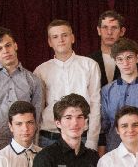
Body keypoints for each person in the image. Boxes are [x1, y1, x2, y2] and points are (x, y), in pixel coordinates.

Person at [33, 19, 101, 150]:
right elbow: (38, 108)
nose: (61, 40)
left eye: (64, 35)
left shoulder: (89, 65)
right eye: (55, 37)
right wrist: (35, 143)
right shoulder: (41, 71)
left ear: (72, 38)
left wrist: (92, 141)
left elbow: (95, 104)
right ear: (50, 42)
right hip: (49, 138)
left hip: (82, 137)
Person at [0, 26, 44, 150]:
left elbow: (36, 118)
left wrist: (34, 147)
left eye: (8, 45)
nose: (5, 51)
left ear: (15, 46)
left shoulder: (34, 80)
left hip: (23, 141)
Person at [88, 10, 128, 86]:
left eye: (114, 27)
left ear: (122, 31)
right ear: (99, 30)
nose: (109, 32)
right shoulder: (88, 61)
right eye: (105, 27)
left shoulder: (131, 61)